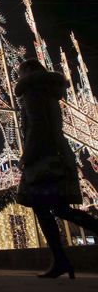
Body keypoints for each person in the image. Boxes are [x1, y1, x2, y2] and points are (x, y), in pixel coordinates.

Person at [15, 59, 98, 279]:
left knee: (42, 208)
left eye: (20, 72)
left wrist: (27, 156)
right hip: (57, 155)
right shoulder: (50, 93)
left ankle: (60, 261)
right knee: (60, 208)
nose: (18, 77)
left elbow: (37, 126)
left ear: (29, 73)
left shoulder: (32, 93)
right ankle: (60, 261)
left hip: (42, 159)